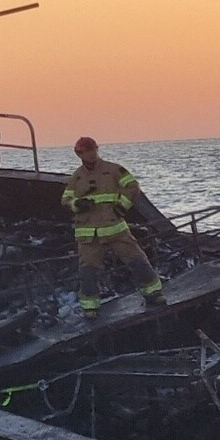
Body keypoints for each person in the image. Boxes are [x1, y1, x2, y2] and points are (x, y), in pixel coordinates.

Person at [61, 136, 166, 319]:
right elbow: (66, 200)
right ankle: (90, 308)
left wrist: (121, 205)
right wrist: (78, 204)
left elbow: (132, 186)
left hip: (114, 228)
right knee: (88, 271)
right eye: (87, 151)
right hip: (88, 234)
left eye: (94, 149)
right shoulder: (76, 177)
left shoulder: (113, 170)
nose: (92, 153)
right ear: (79, 154)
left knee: (137, 260)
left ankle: (154, 294)